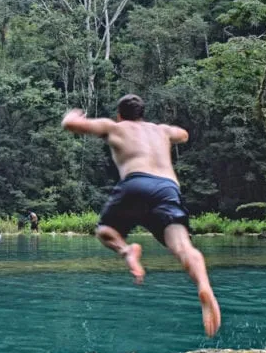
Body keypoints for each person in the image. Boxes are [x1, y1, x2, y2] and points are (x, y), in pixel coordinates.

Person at [62, 94, 221, 337]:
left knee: (105, 231)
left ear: (119, 114)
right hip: (167, 188)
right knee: (183, 247)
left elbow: (70, 125)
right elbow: (184, 134)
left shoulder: (114, 127)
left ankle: (127, 251)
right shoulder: (161, 131)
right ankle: (204, 286)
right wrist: (166, 133)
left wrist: (73, 115)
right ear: (142, 113)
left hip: (135, 183)